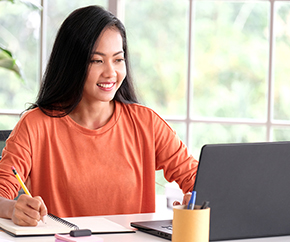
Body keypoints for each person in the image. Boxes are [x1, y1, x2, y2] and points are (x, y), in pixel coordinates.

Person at [0, 5, 198, 226]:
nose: (110, 72)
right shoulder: (36, 124)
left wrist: (197, 199)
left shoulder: (146, 123)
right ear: (71, 63)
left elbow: (197, 179)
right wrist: (12, 208)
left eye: (118, 59)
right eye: (97, 60)